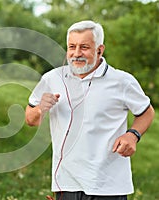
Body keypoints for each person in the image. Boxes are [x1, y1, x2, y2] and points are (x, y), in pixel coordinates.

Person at [25, 20, 155, 200]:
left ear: (99, 50)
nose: (76, 53)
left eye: (84, 47)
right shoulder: (52, 79)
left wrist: (132, 135)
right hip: (66, 183)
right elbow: (30, 119)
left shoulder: (122, 81)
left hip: (109, 185)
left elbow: (146, 112)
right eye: (72, 46)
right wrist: (40, 109)